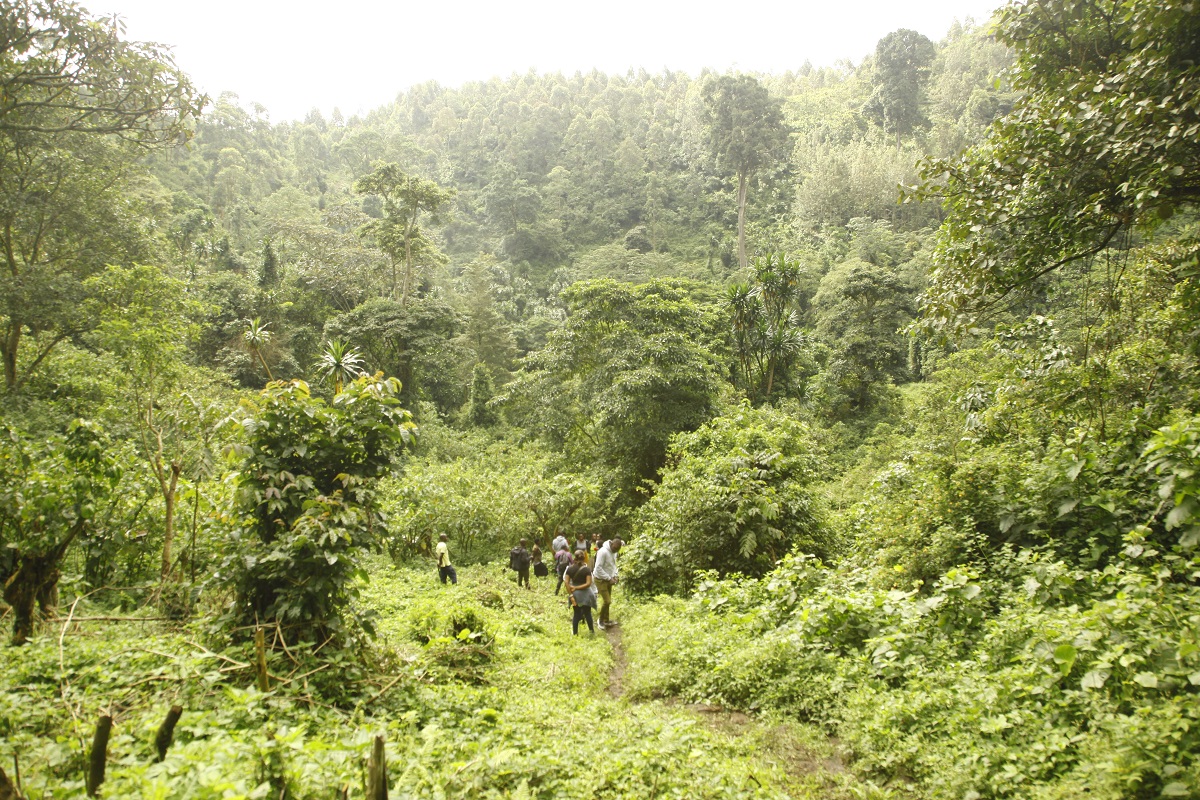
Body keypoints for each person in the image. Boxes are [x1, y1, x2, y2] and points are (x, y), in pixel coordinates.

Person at [592, 537, 622, 629]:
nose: (615, 551)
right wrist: (609, 578)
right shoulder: (603, 552)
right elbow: (598, 568)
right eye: (615, 548)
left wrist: (615, 575)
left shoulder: (614, 552)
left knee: (608, 600)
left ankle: (606, 619)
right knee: (607, 601)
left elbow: (613, 565)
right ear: (612, 544)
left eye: (618, 549)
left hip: (608, 578)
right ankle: (600, 621)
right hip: (600, 579)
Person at [565, 550, 595, 635]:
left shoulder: (570, 569)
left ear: (574, 558)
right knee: (587, 613)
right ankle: (591, 631)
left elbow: (566, 582)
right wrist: (578, 587)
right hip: (585, 594)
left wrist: (571, 594)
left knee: (576, 613)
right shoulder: (586, 570)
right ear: (584, 558)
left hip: (575, 595)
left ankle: (575, 633)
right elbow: (588, 583)